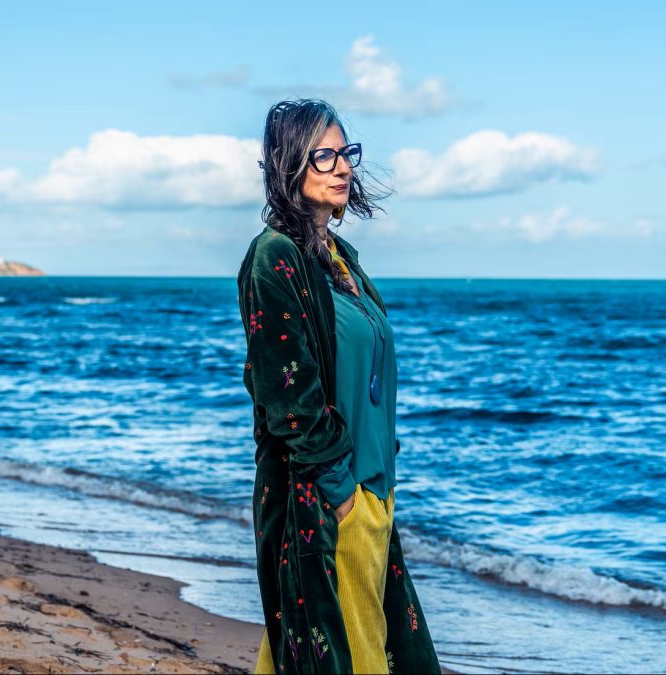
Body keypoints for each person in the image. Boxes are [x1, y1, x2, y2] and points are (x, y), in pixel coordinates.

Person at [237, 98, 441, 674]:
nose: (343, 167)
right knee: (354, 655)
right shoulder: (274, 257)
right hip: (326, 499)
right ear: (289, 165)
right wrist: (338, 488)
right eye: (322, 156)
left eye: (345, 153)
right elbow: (285, 388)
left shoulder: (339, 258)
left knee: (317, 652)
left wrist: (373, 483)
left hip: (373, 490)